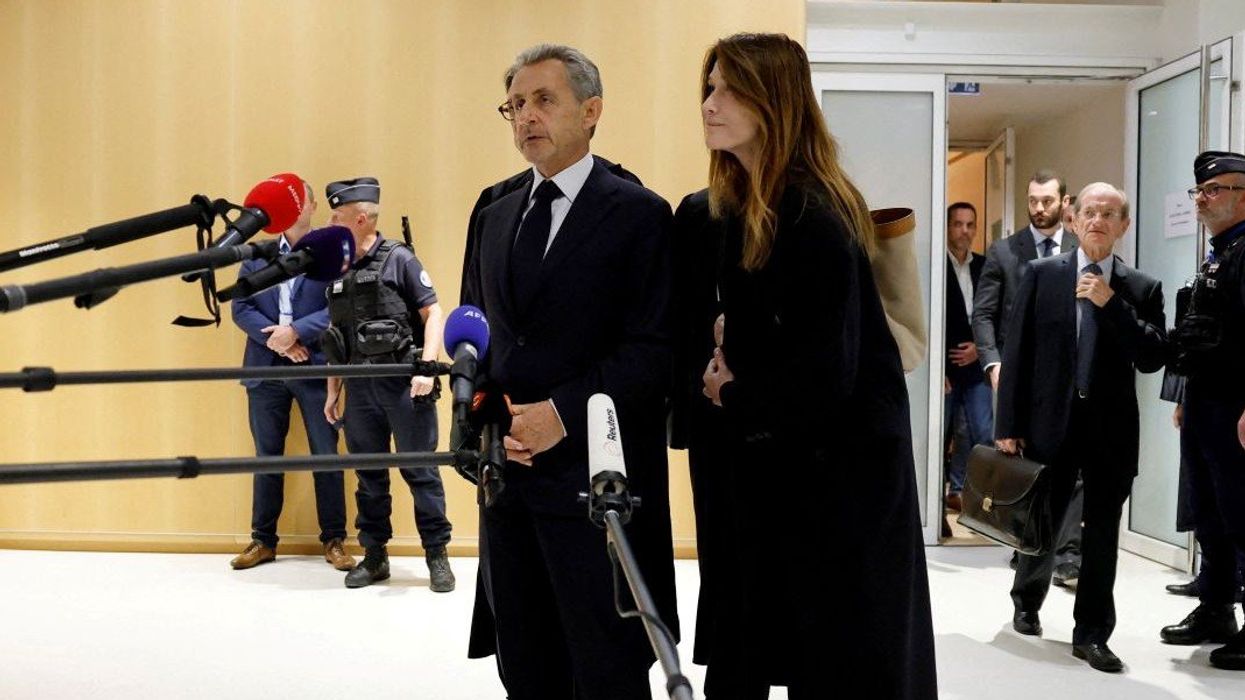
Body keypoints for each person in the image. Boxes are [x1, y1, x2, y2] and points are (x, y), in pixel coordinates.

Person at [688, 32, 936, 698]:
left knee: (841, 665)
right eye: (708, 88)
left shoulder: (808, 213)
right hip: (802, 472)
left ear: (773, 100)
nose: (709, 104)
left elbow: (829, 374)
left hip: (840, 487)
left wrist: (730, 391)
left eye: (727, 89)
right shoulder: (756, 207)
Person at [460, 44, 678, 699]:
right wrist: (482, 425)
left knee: (604, 669)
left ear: (591, 111)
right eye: (515, 104)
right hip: (512, 486)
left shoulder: (639, 214)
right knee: (525, 666)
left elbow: (655, 350)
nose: (525, 115)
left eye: (542, 100)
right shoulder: (493, 211)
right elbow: (475, 337)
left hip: (598, 492)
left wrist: (561, 413)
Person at [996, 182, 1166, 672]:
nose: (1098, 220)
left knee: (1101, 536)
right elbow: (1017, 351)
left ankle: (1091, 632)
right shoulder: (1041, 274)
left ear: (1123, 226)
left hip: (1110, 432)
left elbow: (1154, 356)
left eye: (1109, 213)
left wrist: (1110, 304)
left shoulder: (1141, 287)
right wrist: (1008, 423)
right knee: (1040, 524)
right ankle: (1027, 599)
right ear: (1073, 220)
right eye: (1090, 211)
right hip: (1050, 423)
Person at [320, 177, 455, 592]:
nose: (330, 222)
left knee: (421, 472)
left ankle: (437, 555)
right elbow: (335, 336)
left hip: (403, 384)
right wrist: (333, 391)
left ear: (360, 219)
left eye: (337, 216)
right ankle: (375, 556)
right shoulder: (338, 270)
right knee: (369, 476)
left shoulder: (399, 259)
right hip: (359, 389)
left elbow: (433, 312)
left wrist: (426, 367)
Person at [228, 180, 354, 572]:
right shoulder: (259, 253)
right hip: (264, 368)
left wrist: (297, 332)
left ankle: (334, 541)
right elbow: (240, 305)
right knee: (266, 457)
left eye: (301, 199)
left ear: (313, 205)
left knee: (325, 456)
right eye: (288, 201)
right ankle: (262, 541)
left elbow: (340, 306)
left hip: (316, 367)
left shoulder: (330, 250)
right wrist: (277, 342)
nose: (295, 206)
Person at [973, 170, 1085, 586]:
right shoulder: (1004, 252)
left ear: (1064, 201)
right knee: (1023, 465)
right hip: (1017, 378)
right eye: (1033, 200)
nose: (1039, 208)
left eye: (1047, 201)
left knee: (1073, 471)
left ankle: (1069, 555)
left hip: (1068, 380)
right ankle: (1027, 546)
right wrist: (993, 362)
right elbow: (983, 313)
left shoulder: (1079, 248)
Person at [1162, 150, 1245, 669]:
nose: (1202, 199)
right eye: (1200, 191)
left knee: (1242, 514)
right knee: (1210, 512)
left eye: (1214, 190)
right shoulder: (1219, 251)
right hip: (1206, 402)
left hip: (1235, 407)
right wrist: (1186, 397)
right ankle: (1216, 608)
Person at [943, 202, 992, 513]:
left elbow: (992, 314)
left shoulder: (985, 266)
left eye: (970, 224)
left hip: (977, 364)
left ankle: (963, 491)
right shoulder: (937, 265)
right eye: (958, 224)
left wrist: (980, 347)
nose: (964, 230)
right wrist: (936, 371)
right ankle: (937, 498)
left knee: (981, 431)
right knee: (943, 432)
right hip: (944, 368)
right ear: (947, 227)